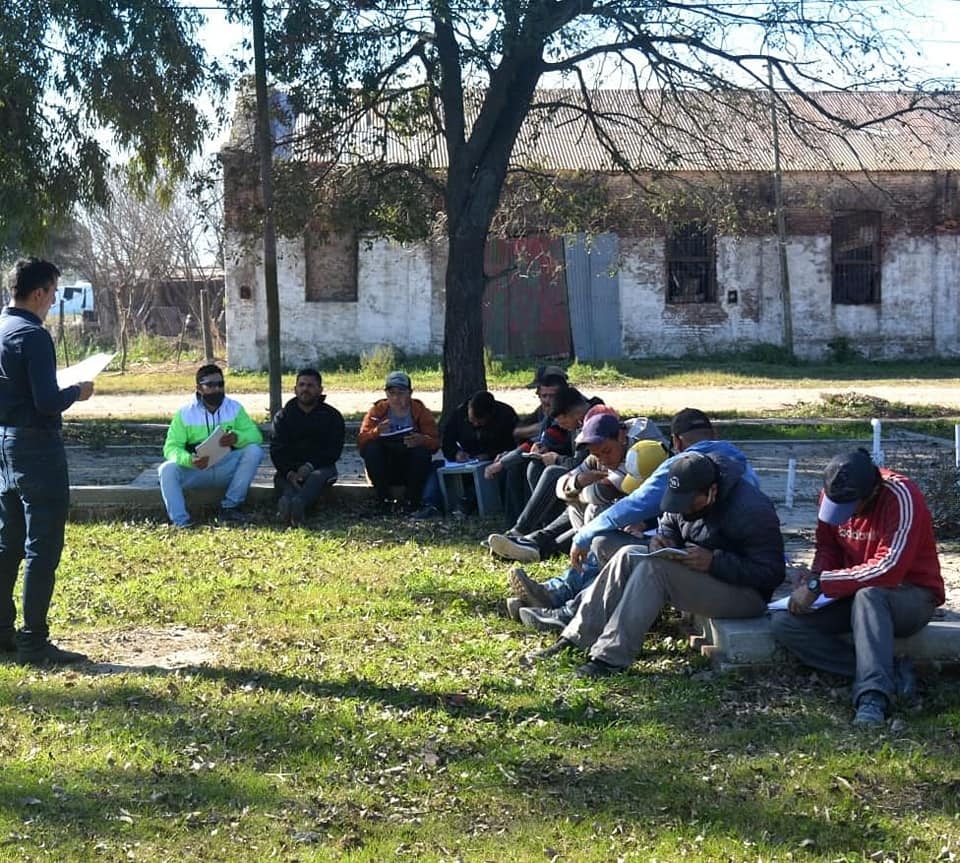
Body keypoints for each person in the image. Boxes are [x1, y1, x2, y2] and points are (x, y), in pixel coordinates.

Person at [527, 451, 785, 677]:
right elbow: (670, 526)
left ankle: (609, 658)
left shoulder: (750, 509)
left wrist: (715, 562)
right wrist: (662, 542)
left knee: (654, 570)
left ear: (712, 491)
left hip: (746, 595)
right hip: (703, 573)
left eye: (689, 504)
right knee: (629, 553)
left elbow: (772, 573)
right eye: (677, 503)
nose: (683, 509)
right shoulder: (682, 494)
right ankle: (577, 637)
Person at [771, 449, 945, 726]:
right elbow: (828, 546)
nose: (843, 514)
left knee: (870, 596)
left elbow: (888, 569)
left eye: (850, 507)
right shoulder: (831, 495)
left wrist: (820, 583)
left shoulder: (901, 496)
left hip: (910, 595)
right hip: (854, 592)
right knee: (785, 623)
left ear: (873, 492)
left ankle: (873, 698)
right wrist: (813, 575)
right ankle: (888, 675)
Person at [0, 258, 95, 665]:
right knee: (43, 545)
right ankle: (34, 640)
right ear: (38, 293)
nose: (54, 300)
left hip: (4, 445)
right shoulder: (33, 336)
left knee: (7, 543)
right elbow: (46, 401)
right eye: (54, 293)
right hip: (38, 448)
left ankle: (4, 633)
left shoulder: (2, 329)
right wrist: (77, 390)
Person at [511, 437, 670, 632]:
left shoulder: (676, 490)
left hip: (663, 559)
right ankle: (554, 594)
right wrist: (644, 524)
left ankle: (569, 610)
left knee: (620, 555)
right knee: (603, 542)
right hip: (650, 545)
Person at [158, 364, 265, 527]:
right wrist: (189, 460)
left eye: (220, 384)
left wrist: (237, 437)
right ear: (198, 388)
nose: (217, 389)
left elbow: (256, 436)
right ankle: (181, 522)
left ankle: (230, 507)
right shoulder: (185, 414)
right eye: (210, 385)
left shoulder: (234, 408)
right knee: (167, 469)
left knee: (254, 450)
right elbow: (170, 448)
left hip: (226, 469)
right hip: (197, 471)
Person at [270, 368, 345, 527]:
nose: (305, 389)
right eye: (302, 385)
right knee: (286, 482)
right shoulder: (282, 416)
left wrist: (309, 467)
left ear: (320, 390)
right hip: (288, 470)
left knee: (315, 478)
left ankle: (298, 504)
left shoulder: (332, 416)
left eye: (311, 385)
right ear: (295, 389)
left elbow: (333, 450)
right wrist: (291, 472)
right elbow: (277, 450)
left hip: (321, 467)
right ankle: (287, 504)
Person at [357, 370, 439, 513]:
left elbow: (435, 444)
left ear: (410, 393)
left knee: (421, 453)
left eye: (400, 392)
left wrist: (422, 440)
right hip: (385, 465)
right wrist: (376, 432)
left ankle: (411, 501)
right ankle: (384, 500)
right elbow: (361, 442)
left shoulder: (421, 412)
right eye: (391, 393)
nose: (395, 397)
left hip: (409, 465)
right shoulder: (377, 412)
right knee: (372, 448)